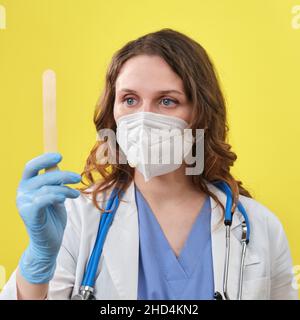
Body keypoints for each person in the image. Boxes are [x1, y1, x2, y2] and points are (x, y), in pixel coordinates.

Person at [0, 28, 297, 300]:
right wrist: (38, 260)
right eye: (130, 100)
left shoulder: (258, 227)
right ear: (112, 112)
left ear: (200, 114)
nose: (143, 117)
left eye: (167, 101)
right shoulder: (77, 220)